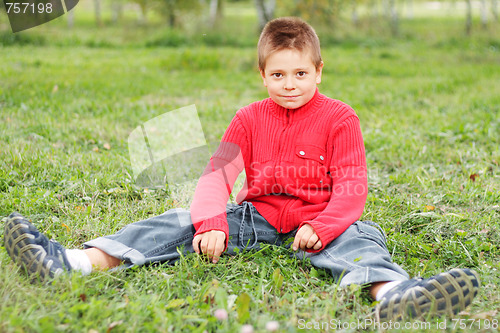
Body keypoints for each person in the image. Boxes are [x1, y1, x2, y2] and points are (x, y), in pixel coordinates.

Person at [3, 17, 479, 322]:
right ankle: (74, 263)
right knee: (175, 222)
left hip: (325, 221)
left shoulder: (340, 117)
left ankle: (395, 294)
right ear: (262, 74)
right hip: (258, 218)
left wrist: (325, 224)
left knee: (361, 242)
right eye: (277, 74)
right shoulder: (249, 118)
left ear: (319, 72)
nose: (289, 85)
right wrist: (211, 223)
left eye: (299, 74)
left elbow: (352, 187)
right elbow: (216, 177)